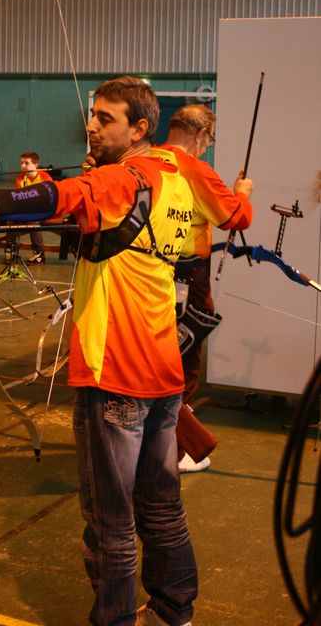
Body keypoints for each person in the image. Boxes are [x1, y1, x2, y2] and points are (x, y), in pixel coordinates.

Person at [0, 76, 197, 626]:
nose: (91, 125)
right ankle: (174, 612)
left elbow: (64, 195)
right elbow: (216, 225)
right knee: (162, 506)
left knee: (111, 522)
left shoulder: (119, 178)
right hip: (163, 373)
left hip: (114, 374)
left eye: (106, 118)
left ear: (139, 129)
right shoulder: (177, 179)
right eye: (93, 114)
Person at [154, 103, 253, 472]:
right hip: (188, 275)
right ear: (198, 134)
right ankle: (176, 449)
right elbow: (237, 217)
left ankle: (157, 441)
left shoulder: (147, 160)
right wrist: (242, 192)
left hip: (152, 272)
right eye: (208, 139)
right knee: (185, 356)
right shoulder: (195, 169)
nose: (207, 146)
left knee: (159, 354)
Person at [15, 152, 52, 264]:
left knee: (33, 221)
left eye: (26, 163)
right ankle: (10, 250)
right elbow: (19, 197)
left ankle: (39, 254)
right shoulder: (20, 178)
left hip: (44, 211)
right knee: (10, 218)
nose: (23, 166)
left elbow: (49, 198)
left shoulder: (45, 177)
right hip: (27, 210)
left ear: (36, 165)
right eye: (21, 163)